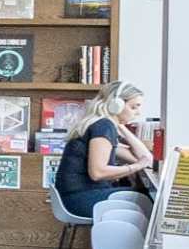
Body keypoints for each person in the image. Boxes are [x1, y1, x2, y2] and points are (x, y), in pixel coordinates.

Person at [57, 81, 160, 217]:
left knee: (143, 196)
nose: (138, 113)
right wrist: (136, 167)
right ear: (117, 105)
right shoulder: (103, 127)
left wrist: (121, 127)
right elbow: (98, 173)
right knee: (149, 199)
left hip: (75, 197)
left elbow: (145, 159)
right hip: (80, 199)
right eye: (134, 107)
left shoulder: (102, 125)